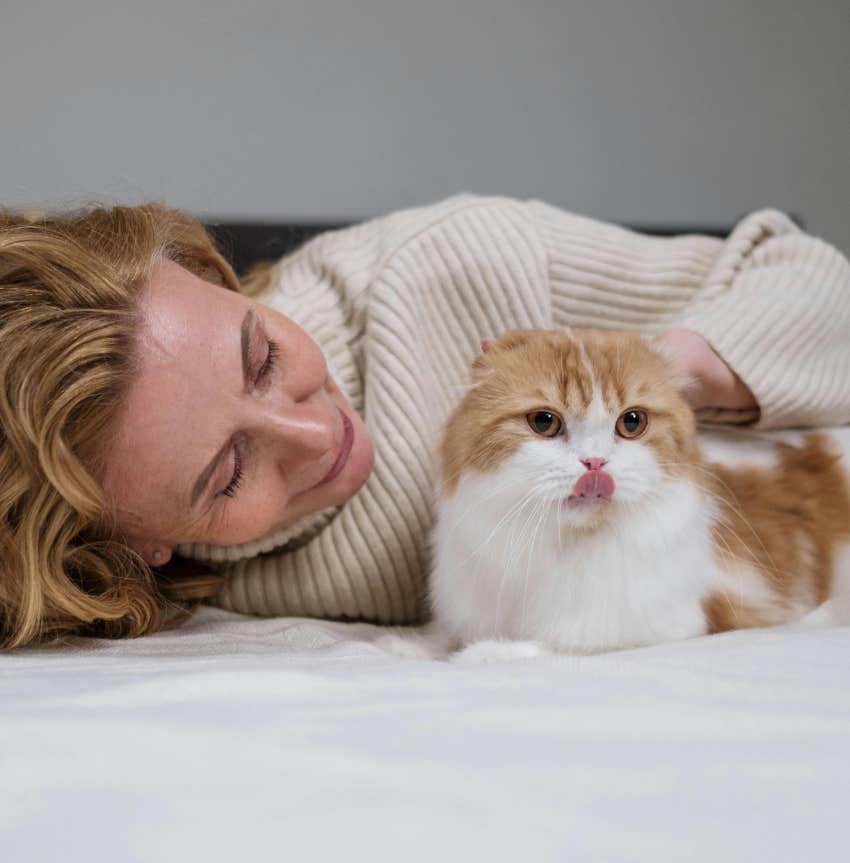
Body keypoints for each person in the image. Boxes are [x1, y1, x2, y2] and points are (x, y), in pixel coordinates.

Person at [1, 193, 848, 649]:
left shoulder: (462, 261)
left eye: (262, 358)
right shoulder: (172, 584)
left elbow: (814, 278)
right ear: (140, 544)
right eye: (226, 474)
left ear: (208, 273)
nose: (315, 437)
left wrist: (680, 372)